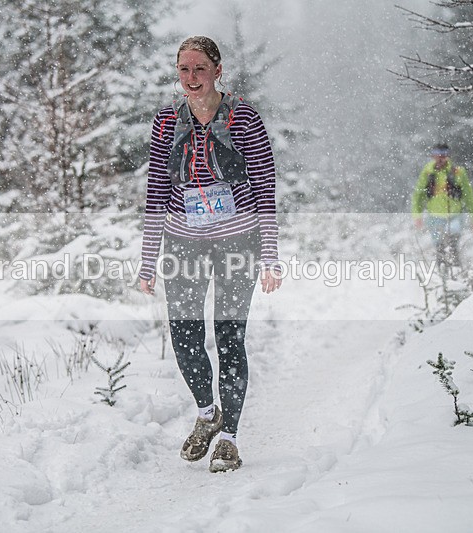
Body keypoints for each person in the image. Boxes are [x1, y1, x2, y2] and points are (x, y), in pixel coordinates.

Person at [138, 36, 282, 473]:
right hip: (184, 242)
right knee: (183, 337)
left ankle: (230, 439)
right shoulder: (166, 122)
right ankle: (207, 412)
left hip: (238, 242)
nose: (191, 78)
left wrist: (271, 256)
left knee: (228, 337)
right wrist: (147, 263)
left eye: (200, 68)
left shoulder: (243, 118)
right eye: (184, 69)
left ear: (218, 70)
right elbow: (157, 194)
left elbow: (265, 187)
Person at [412, 143, 473, 267]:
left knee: (453, 246)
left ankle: (456, 274)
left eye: (443, 155)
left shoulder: (458, 172)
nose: (440, 158)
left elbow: (469, 197)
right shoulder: (427, 172)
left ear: (448, 156)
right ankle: (443, 278)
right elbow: (418, 195)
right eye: (437, 155)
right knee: (440, 249)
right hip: (435, 217)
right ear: (432, 156)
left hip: (455, 216)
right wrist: (417, 216)